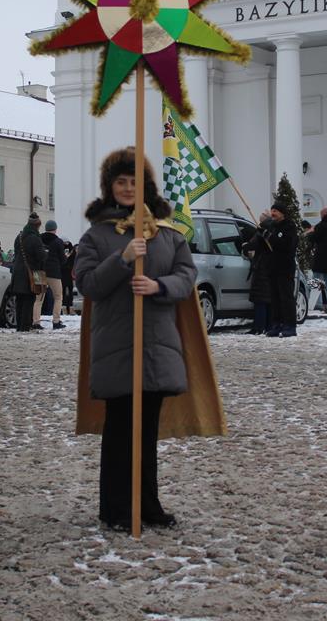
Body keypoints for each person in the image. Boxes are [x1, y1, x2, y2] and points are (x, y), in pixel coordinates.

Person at [74, 147, 197, 531]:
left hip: (157, 346)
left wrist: (159, 285)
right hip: (117, 345)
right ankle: (115, 509)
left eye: (134, 182)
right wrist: (123, 259)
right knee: (120, 432)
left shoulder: (168, 235)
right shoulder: (96, 236)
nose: (128, 188)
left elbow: (186, 275)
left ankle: (148, 505)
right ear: (109, 187)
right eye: (121, 182)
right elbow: (88, 284)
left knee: (146, 434)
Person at [265, 202, 299, 337]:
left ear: (282, 213)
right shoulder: (272, 226)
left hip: (285, 267)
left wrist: (271, 238)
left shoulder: (289, 227)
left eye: (276, 211)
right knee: (275, 297)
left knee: (286, 297)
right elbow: (266, 245)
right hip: (273, 266)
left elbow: (288, 245)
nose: (273, 213)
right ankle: (276, 324)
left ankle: (290, 325)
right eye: (272, 210)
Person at [11, 212, 47, 332]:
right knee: (28, 300)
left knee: (19, 300)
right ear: (37, 225)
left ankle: (19, 326)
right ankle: (25, 326)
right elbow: (41, 256)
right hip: (30, 273)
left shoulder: (19, 237)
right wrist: (46, 253)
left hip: (17, 272)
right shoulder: (35, 238)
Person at [242, 212, 274, 334]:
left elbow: (253, 245)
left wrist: (245, 246)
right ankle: (269, 326)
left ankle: (259, 327)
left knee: (260, 299)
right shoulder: (274, 229)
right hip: (272, 267)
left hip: (262, 267)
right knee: (269, 300)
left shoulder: (262, 231)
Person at [41, 220, 67, 329]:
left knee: (38, 298)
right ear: (55, 229)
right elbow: (63, 259)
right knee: (58, 296)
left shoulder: (39, 239)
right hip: (53, 272)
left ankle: (35, 321)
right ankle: (56, 321)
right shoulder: (58, 241)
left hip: (40, 271)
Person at [62, 241, 77, 315]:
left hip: (66, 273)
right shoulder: (72, 252)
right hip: (66, 273)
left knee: (67, 291)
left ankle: (68, 307)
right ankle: (66, 308)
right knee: (66, 291)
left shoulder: (72, 252)